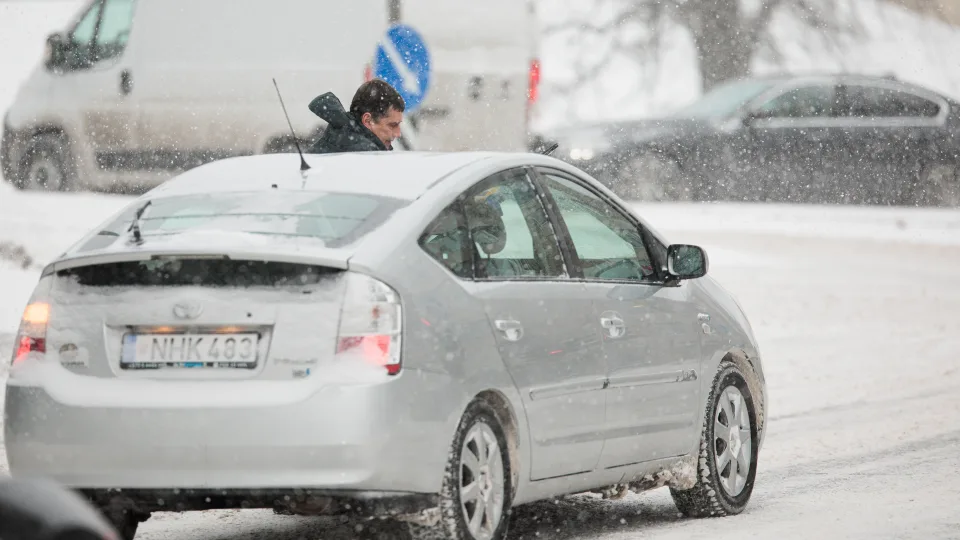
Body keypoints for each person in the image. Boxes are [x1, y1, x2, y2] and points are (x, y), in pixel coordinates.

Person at [307, 79, 405, 154]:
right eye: (392, 125)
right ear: (368, 120)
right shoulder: (363, 154)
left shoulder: (343, 138)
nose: (398, 133)